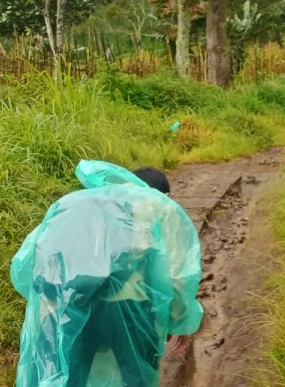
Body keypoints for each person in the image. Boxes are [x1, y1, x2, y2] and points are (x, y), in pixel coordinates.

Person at [11, 160, 204, 387]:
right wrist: (177, 321)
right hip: (129, 307)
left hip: (71, 304)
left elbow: (26, 263)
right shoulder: (158, 206)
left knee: (70, 377)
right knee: (136, 376)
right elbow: (174, 273)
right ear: (167, 195)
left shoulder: (76, 202)